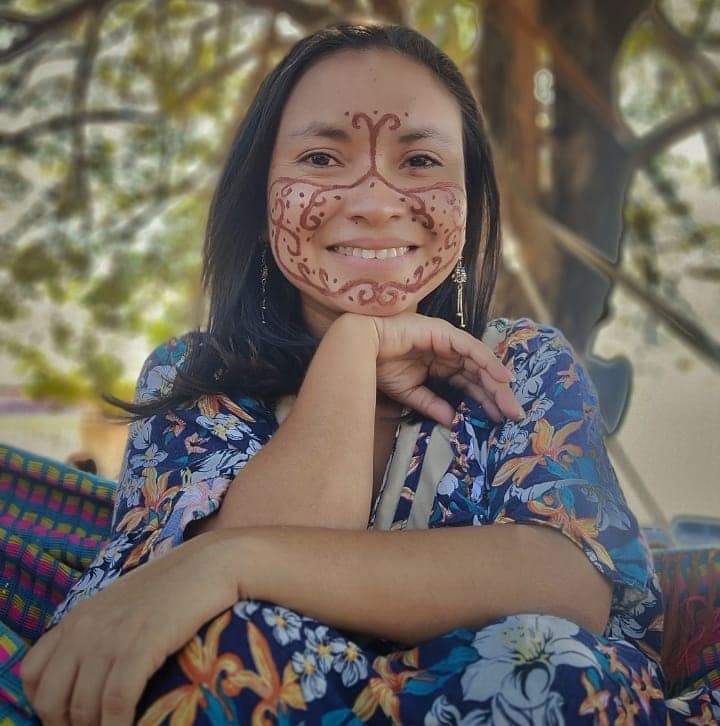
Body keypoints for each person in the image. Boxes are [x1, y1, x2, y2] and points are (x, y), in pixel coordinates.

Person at [18, 20, 717, 726]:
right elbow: (214, 621)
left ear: (469, 203)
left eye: (421, 161)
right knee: (222, 652)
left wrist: (231, 561)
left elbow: (566, 587)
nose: (377, 203)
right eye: (322, 158)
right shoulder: (193, 376)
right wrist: (352, 353)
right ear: (260, 202)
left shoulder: (523, 364)